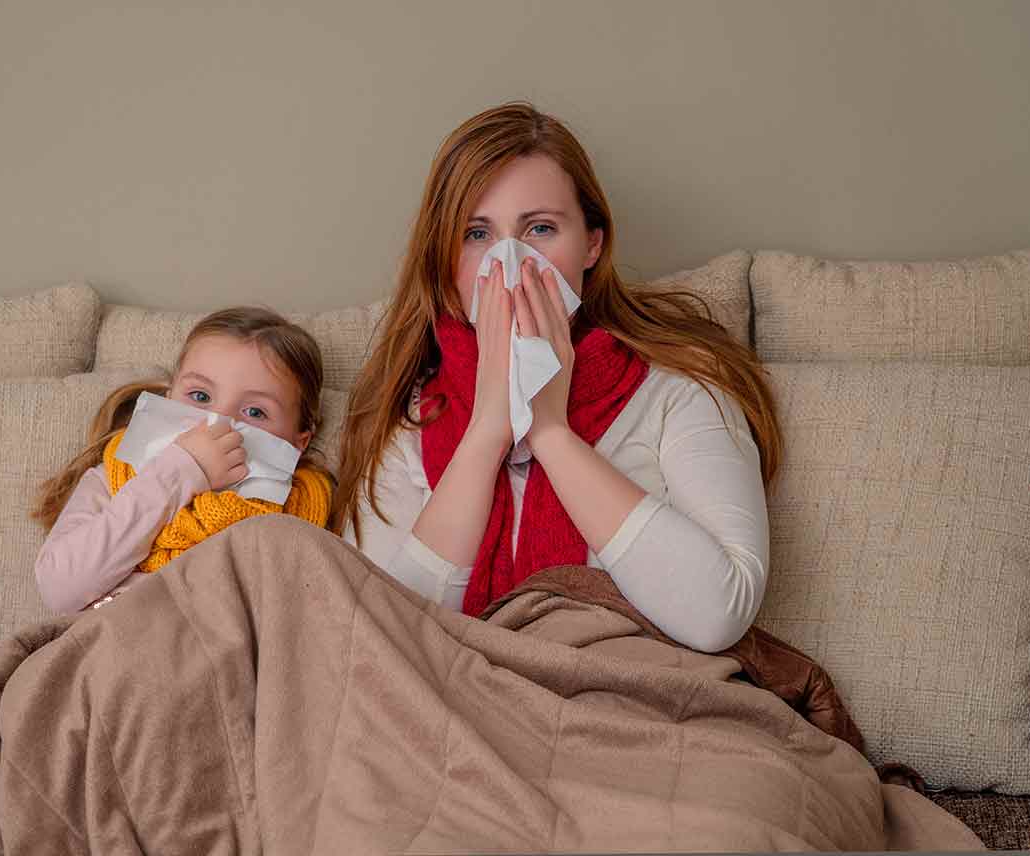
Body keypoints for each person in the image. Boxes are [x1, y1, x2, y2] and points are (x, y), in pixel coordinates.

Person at [333, 102, 780, 653]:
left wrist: (550, 432)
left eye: (540, 228)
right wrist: (488, 430)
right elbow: (376, 646)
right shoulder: (408, 419)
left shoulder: (679, 390)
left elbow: (719, 613)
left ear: (592, 243)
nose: (511, 261)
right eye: (477, 234)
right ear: (446, 267)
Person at [31, 306, 331, 614]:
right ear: (169, 397)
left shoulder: (300, 514)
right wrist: (178, 472)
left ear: (298, 442)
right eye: (200, 397)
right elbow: (59, 590)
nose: (217, 425)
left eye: (255, 412)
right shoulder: (112, 478)